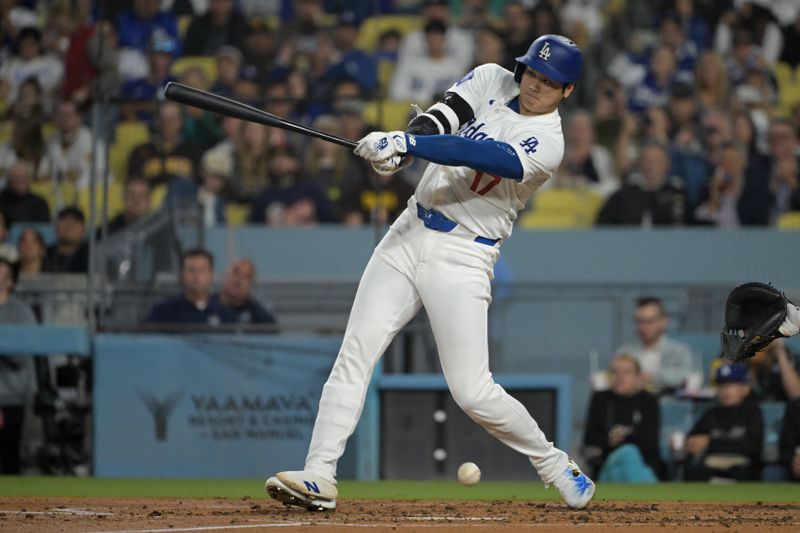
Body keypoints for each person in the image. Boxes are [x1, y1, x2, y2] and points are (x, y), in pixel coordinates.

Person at [265, 34, 595, 511]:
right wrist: (401, 148)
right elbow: (444, 118)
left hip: (464, 255)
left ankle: (552, 462)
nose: (534, 85)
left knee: (472, 392)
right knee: (355, 352)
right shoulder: (491, 77)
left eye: (549, 82)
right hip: (409, 229)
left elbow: (478, 155)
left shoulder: (549, 144)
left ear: (568, 90)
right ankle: (320, 474)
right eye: (531, 72)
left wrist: (409, 143)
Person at [583, 354, 662, 483]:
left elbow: (651, 442)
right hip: (607, 464)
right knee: (628, 453)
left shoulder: (649, 401)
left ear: (638, 377)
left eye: (627, 372)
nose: (620, 377)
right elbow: (589, 440)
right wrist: (610, 440)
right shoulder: (600, 399)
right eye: (615, 372)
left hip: (641, 467)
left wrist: (624, 436)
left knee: (621, 470)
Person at [684, 362, 763, 482]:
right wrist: (691, 443)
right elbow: (693, 438)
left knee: (745, 472)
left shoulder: (752, 412)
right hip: (712, 465)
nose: (726, 390)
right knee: (694, 471)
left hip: (740, 466)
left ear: (745, 388)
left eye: (731, 384)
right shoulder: (711, 413)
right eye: (722, 385)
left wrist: (710, 442)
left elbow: (752, 447)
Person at [613, 297, 699, 395]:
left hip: (669, 403)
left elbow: (688, 375)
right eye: (639, 321)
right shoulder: (625, 352)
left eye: (649, 321)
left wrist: (652, 376)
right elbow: (614, 378)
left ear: (663, 322)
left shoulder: (679, 350)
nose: (643, 327)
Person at [0, 257, 38, 474]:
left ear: (9, 282)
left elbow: (24, 353)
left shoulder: (21, 311)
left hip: (13, 395)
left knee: (11, 457)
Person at [146, 248, 233, 325]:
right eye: (191, 270)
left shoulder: (226, 316)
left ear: (211, 275)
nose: (197, 275)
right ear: (181, 275)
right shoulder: (162, 313)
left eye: (202, 270)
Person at [212, 257, 276, 325]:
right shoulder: (206, 306)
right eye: (236, 272)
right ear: (224, 276)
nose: (239, 279)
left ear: (251, 284)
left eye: (246, 276)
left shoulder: (261, 318)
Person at [42, 206, 89, 274]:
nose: (69, 225)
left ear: (83, 229)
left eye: (75, 220)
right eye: (64, 220)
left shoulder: (92, 255)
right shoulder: (43, 254)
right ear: (56, 227)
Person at [779, 398, 800, 482]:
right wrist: (795, 459)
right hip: (792, 462)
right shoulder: (794, 406)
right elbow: (786, 442)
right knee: (773, 473)